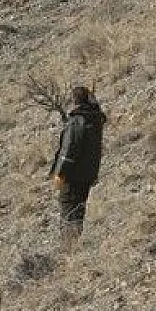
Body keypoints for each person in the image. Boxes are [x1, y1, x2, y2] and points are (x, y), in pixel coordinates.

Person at [49, 85, 106, 238]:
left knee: (68, 211)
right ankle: (75, 244)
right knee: (78, 211)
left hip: (72, 176)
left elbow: (68, 151)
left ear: (75, 101)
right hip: (87, 175)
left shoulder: (77, 121)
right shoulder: (94, 120)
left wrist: (59, 175)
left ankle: (69, 247)